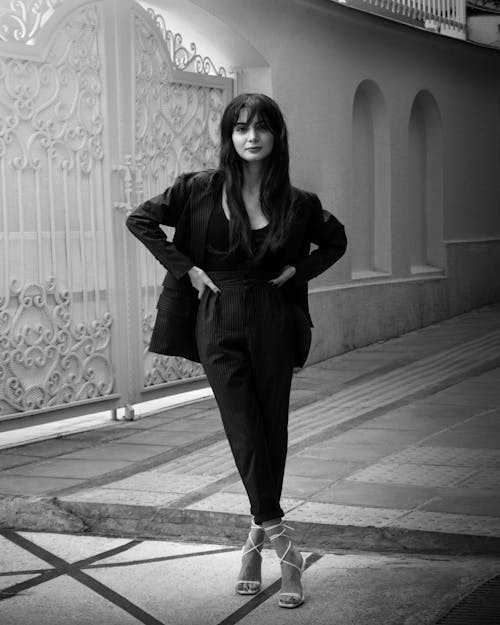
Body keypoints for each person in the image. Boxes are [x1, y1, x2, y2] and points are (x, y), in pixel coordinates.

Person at [126, 93, 347, 609]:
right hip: (217, 317)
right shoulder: (198, 189)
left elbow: (335, 242)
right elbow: (140, 219)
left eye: (262, 127)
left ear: (276, 136)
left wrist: (299, 271)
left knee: (271, 430)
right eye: (241, 127)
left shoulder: (298, 203)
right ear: (229, 136)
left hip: (272, 315)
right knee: (244, 427)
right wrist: (188, 269)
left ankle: (253, 544)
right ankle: (286, 548)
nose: (251, 137)